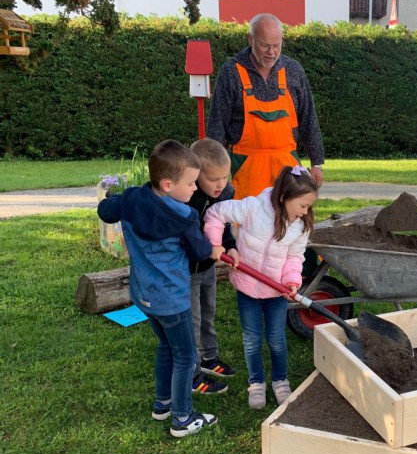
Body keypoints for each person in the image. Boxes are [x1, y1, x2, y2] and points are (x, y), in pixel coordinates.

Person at [98, 140, 224, 438]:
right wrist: (215, 249)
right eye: (191, 183)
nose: (195, 189)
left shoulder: (131, 199)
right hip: (173, 299)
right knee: (186, 356)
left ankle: (163, 403)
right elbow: (199, 250)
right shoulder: (184, 217)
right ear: (168, 185)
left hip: (144, 296)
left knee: (166, 346)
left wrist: (120, 200)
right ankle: (182, 417)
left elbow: (106, 210)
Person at [204, 165, 318, 409]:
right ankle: (256, 383)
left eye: (309, 206)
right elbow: (215, 213)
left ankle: (280, 381)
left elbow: (295, 257)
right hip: (247, 287)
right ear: (284, 197)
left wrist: (291, 281)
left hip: (276, 290)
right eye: (303, 205)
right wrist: (216, 243)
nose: (305, 211)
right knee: (252, 339)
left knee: (277, 339)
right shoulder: (253, 208)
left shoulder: (300, 226)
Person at [206, 12, 325, 201]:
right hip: (246, 168)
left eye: (277, 46)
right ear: (250, 39)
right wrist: (212, 170)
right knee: (247, 226)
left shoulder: (294, 70)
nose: (272, 52)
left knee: (289, 224)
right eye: (265, 46)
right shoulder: (231, 72)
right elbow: (217, 125)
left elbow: (309, 119)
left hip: (288, 169)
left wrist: (317, 162)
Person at [187, 138, 240, 396]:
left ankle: (210, 358)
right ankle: (192, 373)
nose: (220, 184)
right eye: (213, 179)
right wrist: (209, 248)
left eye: (225, 177)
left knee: (208, 312)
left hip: (207, 268)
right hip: (186, 271)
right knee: (192, 320)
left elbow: (224, 224)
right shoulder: (187, 197)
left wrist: (230, 246)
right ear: (196, 175)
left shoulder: (225, 193)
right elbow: (188, 235)